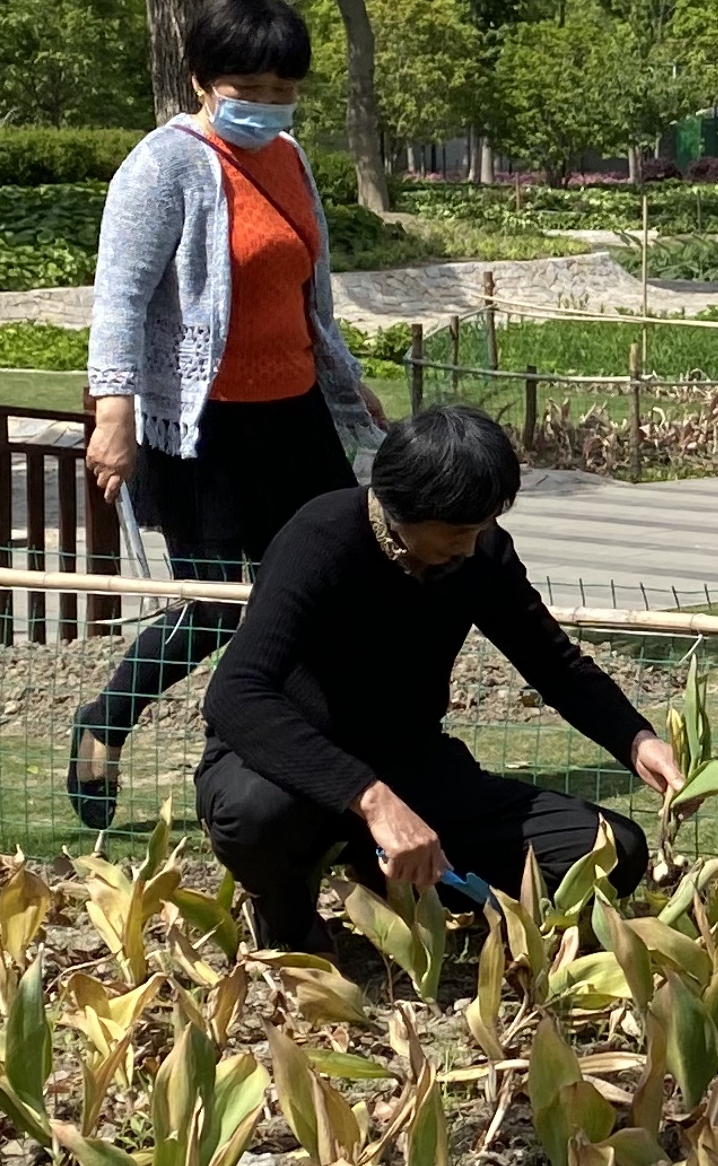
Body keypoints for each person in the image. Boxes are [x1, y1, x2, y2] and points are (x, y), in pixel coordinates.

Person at [196, 405, 684, 953]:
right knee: (258, 813)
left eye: (483, 527)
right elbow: (237, 693)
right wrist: (372, 799)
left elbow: (554, 663)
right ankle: (288, 923)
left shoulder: (479, 556)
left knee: (611, 849)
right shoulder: (320, 538)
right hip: (295, 771)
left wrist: (637, 739)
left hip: (413, 769)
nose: (472, 545)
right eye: (458, 530)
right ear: (402, 509)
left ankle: (394, 883)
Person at [73, 0, 388, 830]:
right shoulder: (163, 164)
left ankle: (306, 766)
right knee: (214, 608)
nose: (269, 103)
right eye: (249, 84)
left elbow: (307, 292)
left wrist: (346, 377)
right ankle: (105, 723)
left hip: (295, 418)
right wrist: (115, 416)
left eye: (285, 87)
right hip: (201, 428)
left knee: (329, 590)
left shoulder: (289, 158)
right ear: (201, 78)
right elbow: (120, 301)